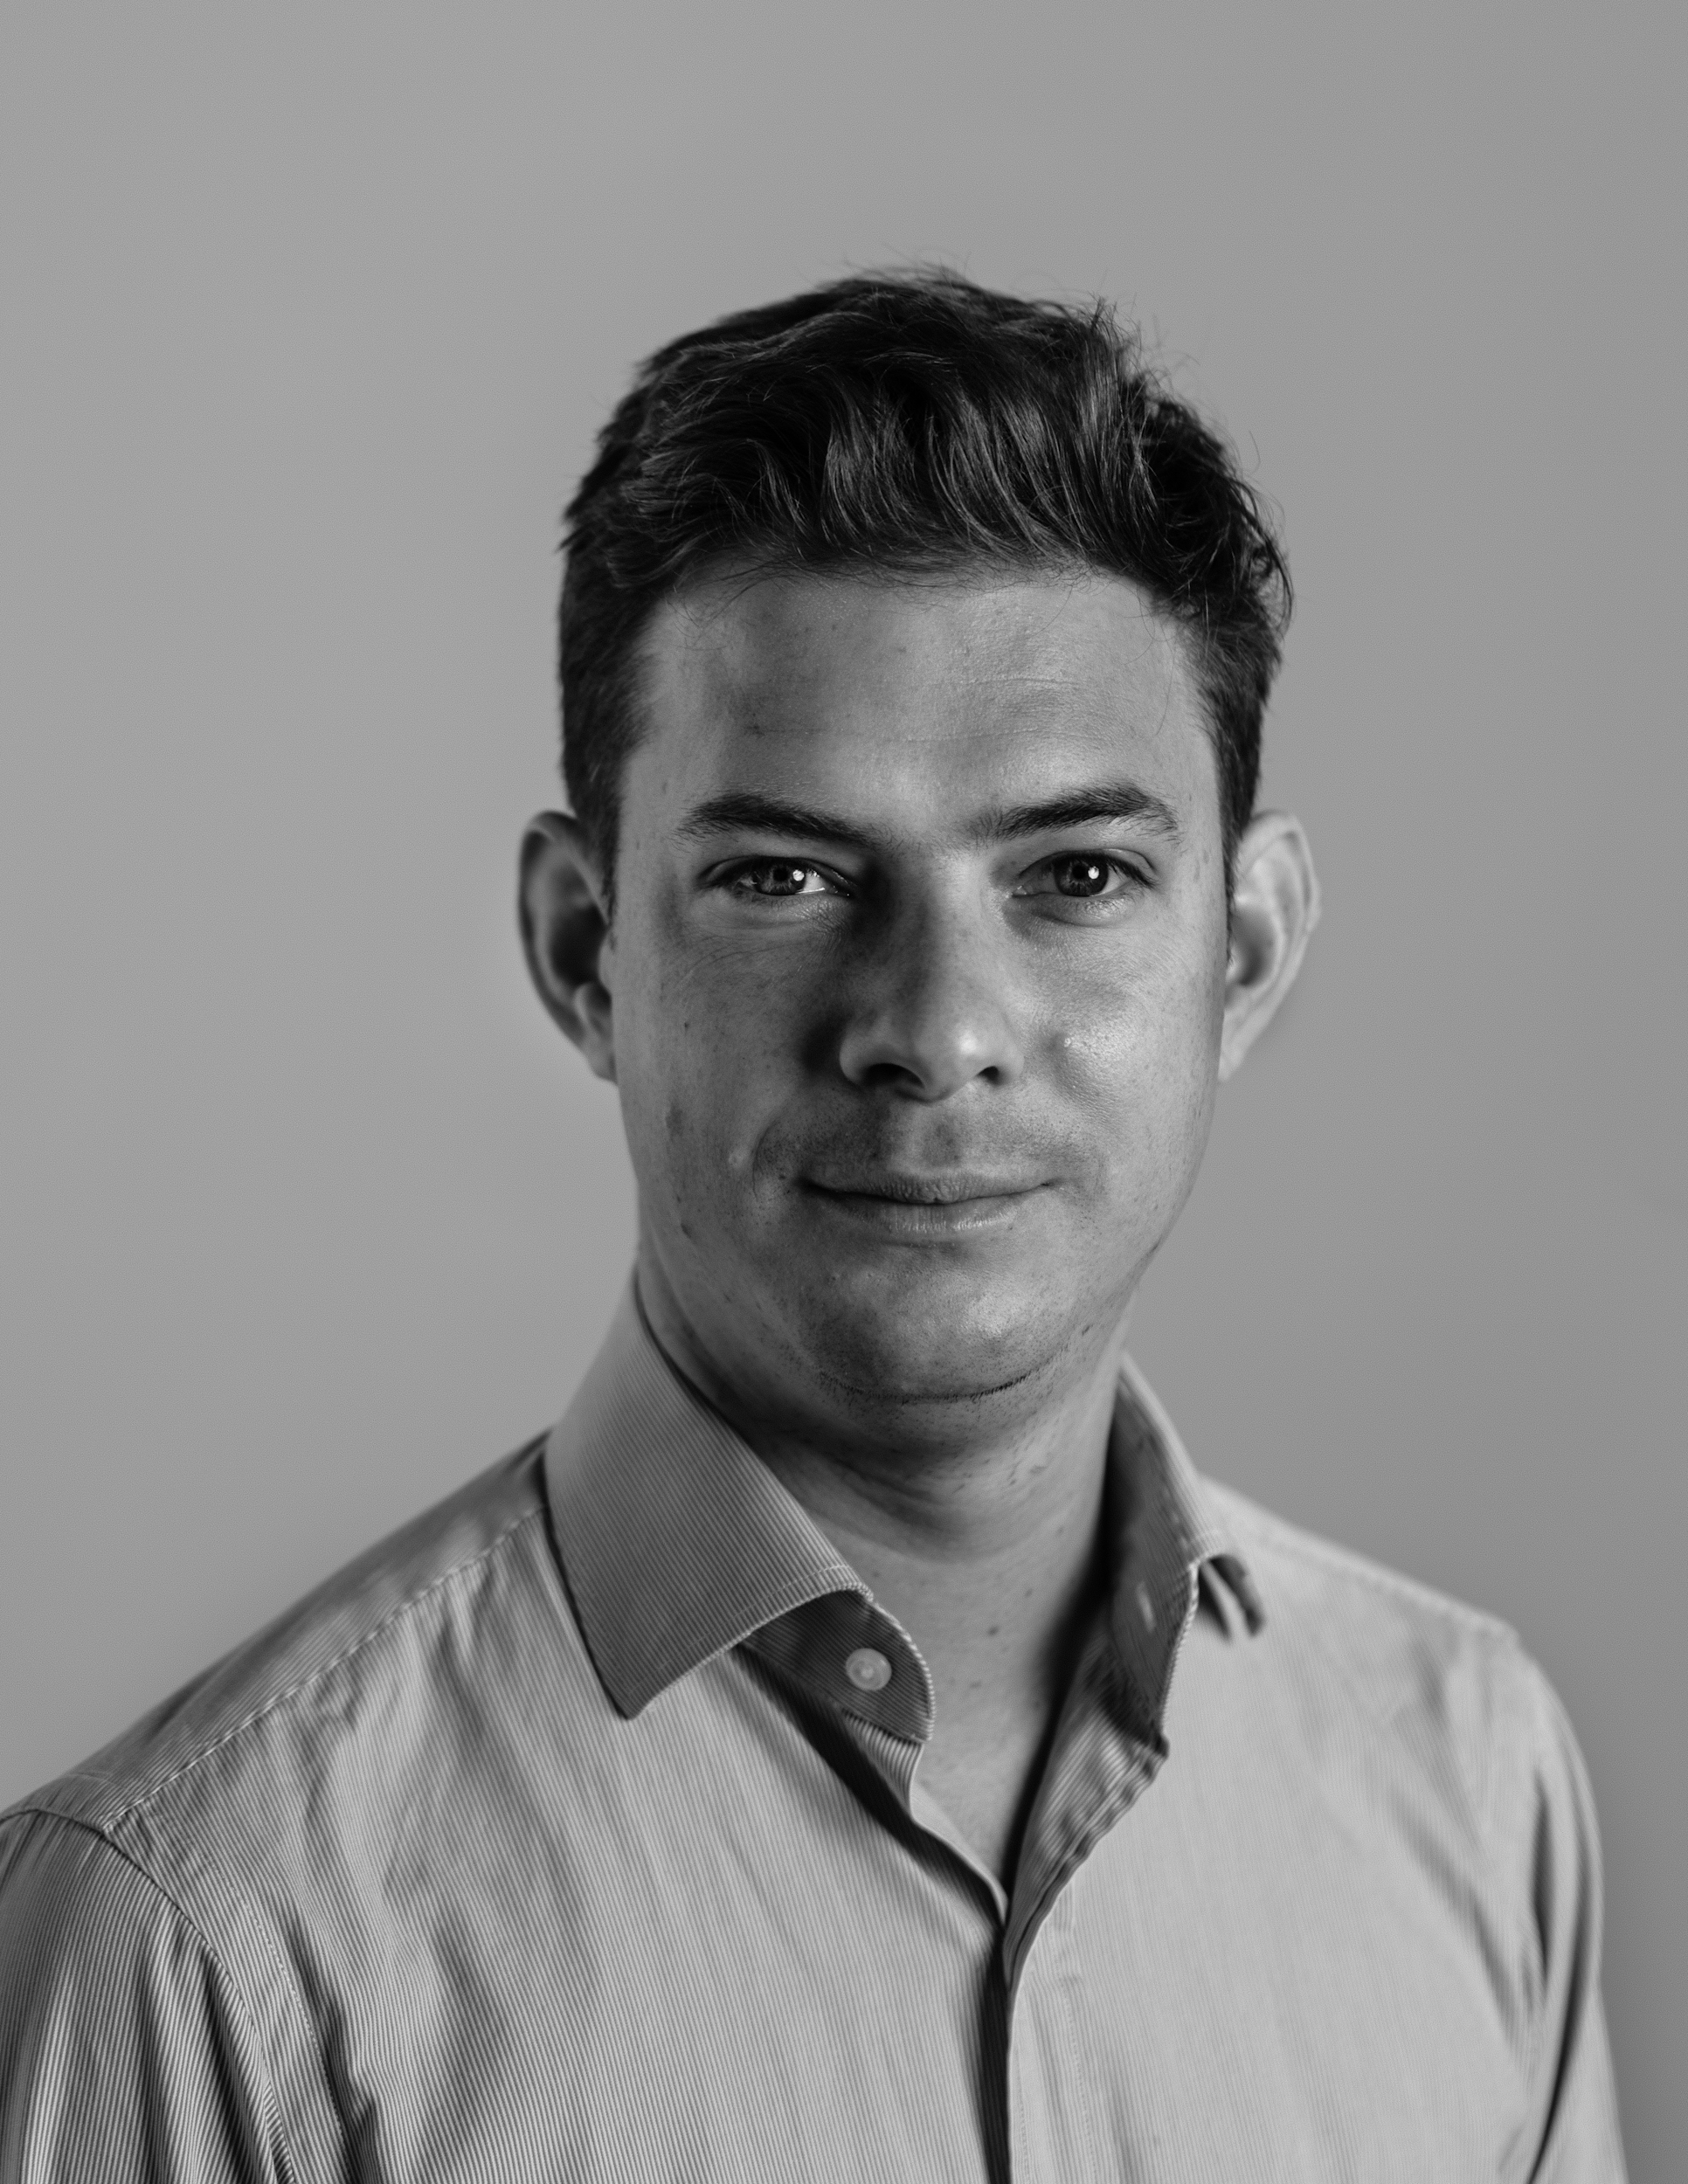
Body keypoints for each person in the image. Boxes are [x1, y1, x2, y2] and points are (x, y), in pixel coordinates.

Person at [0, 272, 1626, 2181]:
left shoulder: (1471, 1772)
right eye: (781, 873)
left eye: (1078, 873)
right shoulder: (197, 1935)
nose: (932, 1029)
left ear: (1244, 953)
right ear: (585, 948)